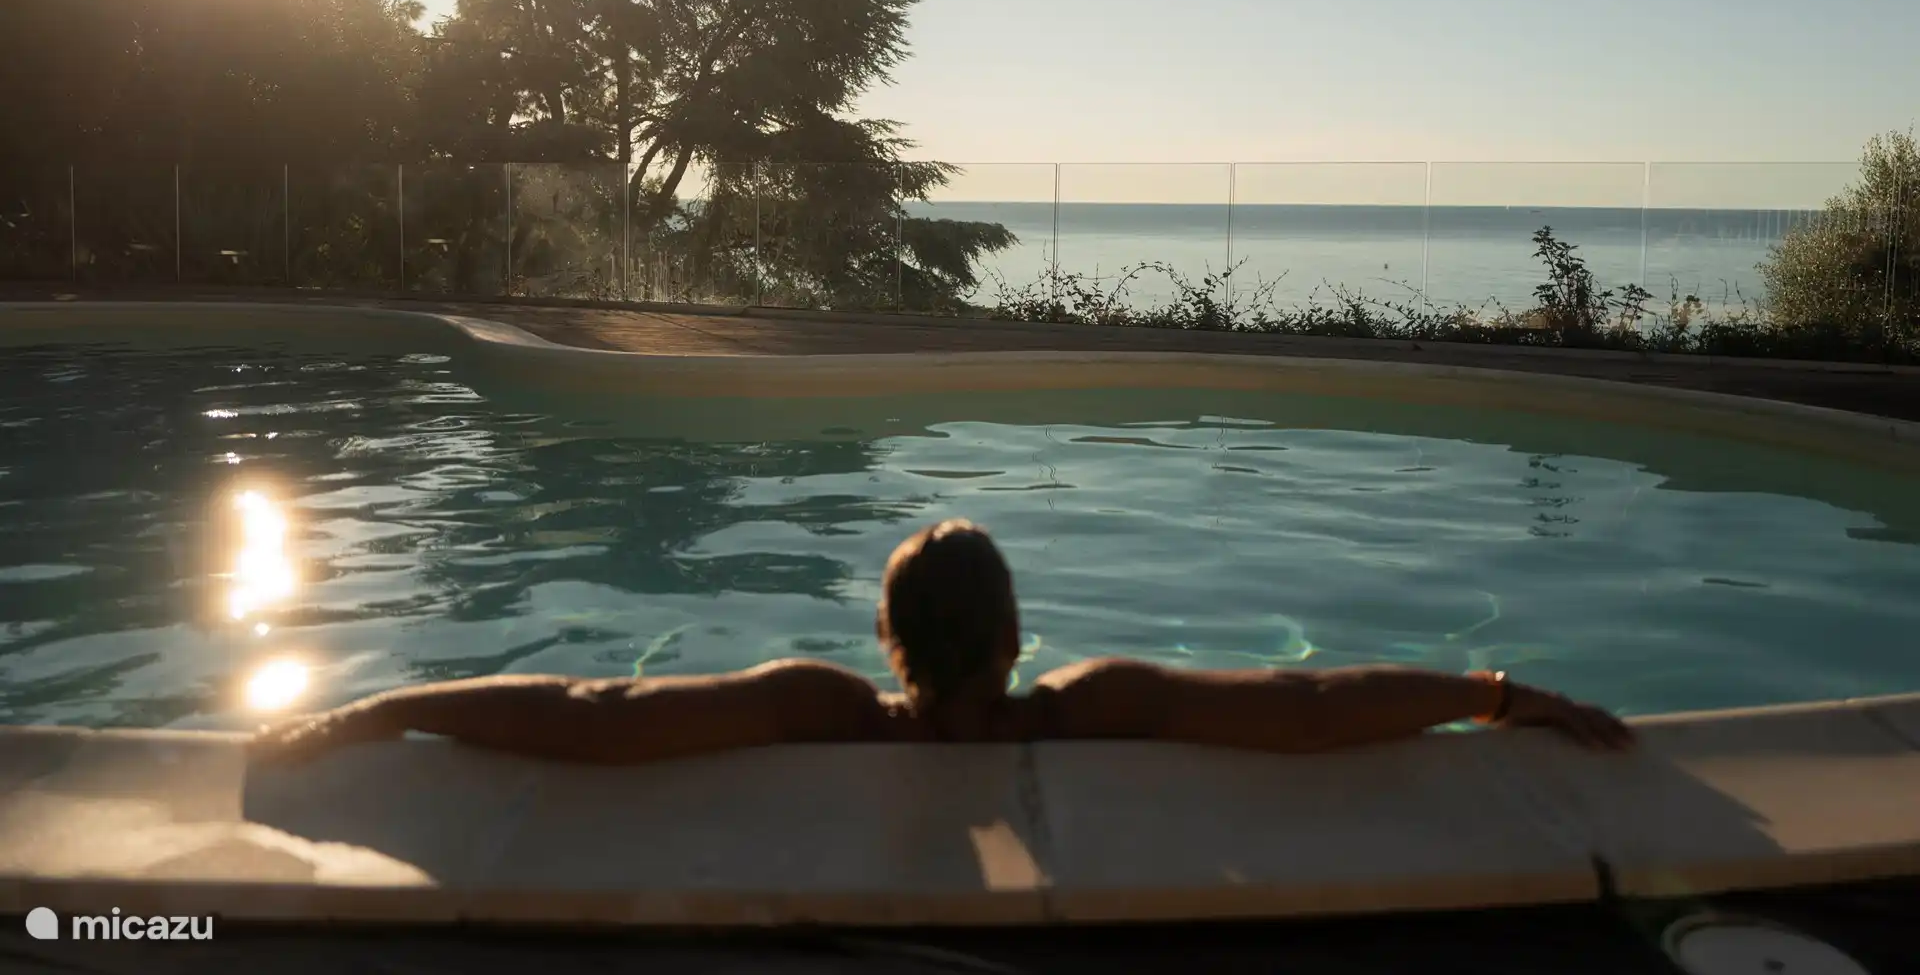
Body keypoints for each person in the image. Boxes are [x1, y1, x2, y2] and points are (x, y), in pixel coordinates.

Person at [250, 518, 1632, 766]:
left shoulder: (821, 706)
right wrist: (1504, 692)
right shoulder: (1095, 701)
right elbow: (1314, 703)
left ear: (886, 636)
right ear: (1019, 633)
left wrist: (385, 707)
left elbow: (594, 709)